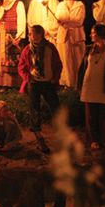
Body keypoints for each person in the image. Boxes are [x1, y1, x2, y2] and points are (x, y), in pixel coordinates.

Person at [18, 25, 62, 153]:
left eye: (32, 34)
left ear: (40, 35)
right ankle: (39, 139)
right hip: (34, 83)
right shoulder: (27, 50)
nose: (30, 36)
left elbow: (58, 64)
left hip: (48, 82)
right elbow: (21, 67)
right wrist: (28, 76)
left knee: (56, 107)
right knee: (34, 110)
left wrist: (55, 78)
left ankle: (60, 134)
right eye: (30, 34)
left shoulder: (50, 48)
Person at [77, 24, 105, 150]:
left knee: (103, 115)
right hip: (89, 85)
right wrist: (79, 84)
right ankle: (93, 140)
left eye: (93, 32)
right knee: (91, 115)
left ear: (100, 34)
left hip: (104, 86)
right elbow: (82, 68)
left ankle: (104, 139)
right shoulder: (88, 49)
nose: (91, 35)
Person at [55, 0, 86, 88]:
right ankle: (66, 84)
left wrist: (65, 22)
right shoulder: (60, 5)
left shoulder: (80, 5)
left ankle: (79, 83)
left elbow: (78, 21)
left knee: (78, 59)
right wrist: (65, 22)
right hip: (63, 36)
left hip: (77, 36)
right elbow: (58, 18)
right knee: (65, 59)